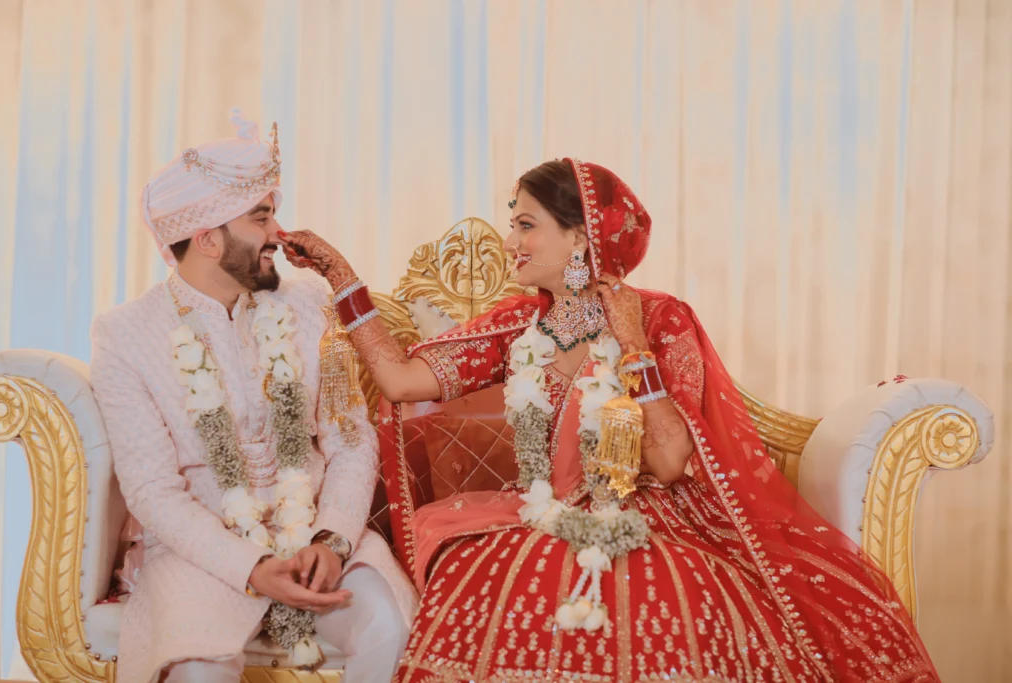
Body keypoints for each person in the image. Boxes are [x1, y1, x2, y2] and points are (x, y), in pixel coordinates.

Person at [279, 159, 939, 682]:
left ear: (580, 237)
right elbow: (400, 381)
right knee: (496, 571)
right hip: (543, 511)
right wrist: (342, 275)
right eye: (512, 225)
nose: (510, 242)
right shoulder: (520, 325)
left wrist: (634, 348)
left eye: (526, 225)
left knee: (649, 596)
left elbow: (671, 461)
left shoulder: (660, 318)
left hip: (651, 516)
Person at [90, 109, 417, 683]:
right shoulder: (126, 334)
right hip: (201, 553)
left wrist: (333, 539)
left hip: (316, 537)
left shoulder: (307, 302)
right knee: (196, 671)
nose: (277, 234)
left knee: (388, 624)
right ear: (207, 237)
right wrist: (252, 565)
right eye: (261, 217)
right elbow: (151, 489)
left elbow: (349, 438)